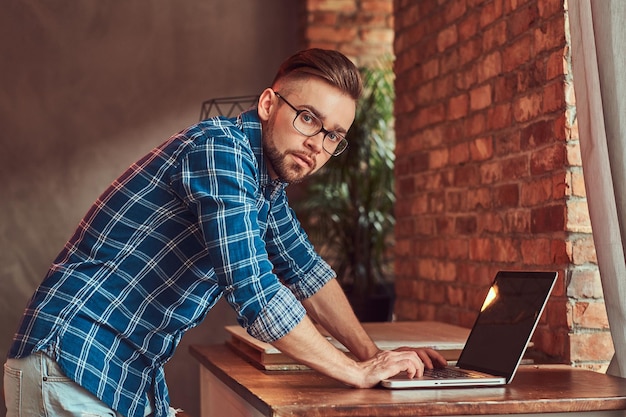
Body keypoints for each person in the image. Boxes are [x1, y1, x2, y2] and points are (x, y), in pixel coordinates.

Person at [3, 48, 446, 417]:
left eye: (334, 135)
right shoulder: (221, 150)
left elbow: (307, 272)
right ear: (269, 105)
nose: (317, 144)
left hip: (118, 376)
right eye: (308, 118)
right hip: (71, 363)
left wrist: (372, 357)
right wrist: (355, 372)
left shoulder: (265, 185)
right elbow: (254, 290)